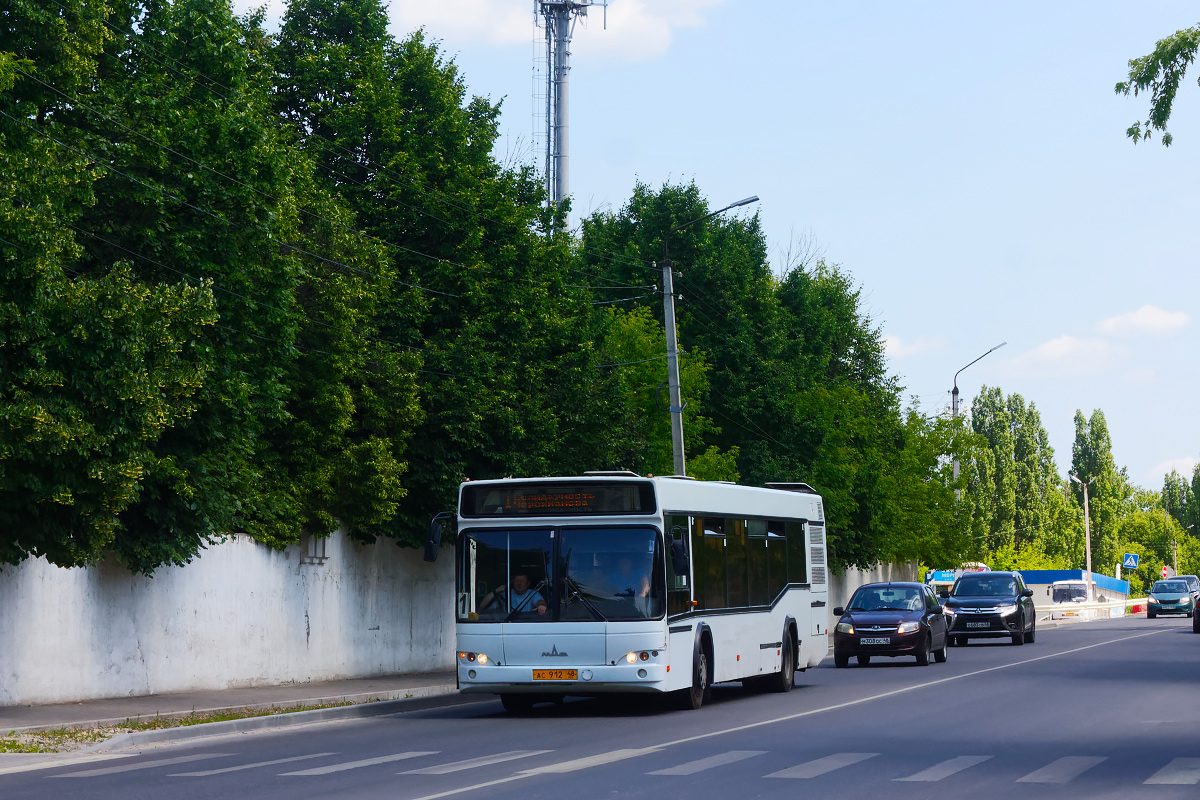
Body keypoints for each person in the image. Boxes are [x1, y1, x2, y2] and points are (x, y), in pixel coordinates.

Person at [481, 572, 547, 616]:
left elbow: (540, 602)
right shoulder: (506, 595)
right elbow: (483, 606)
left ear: (528, 583)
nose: (519, 583)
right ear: (513, 583)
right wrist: (496, 590)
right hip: (508, 622)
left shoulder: (533, 593)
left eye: (522, 581)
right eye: (517, 581)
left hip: (527, 623)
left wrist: (541, 606)